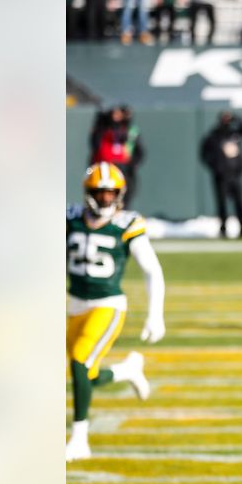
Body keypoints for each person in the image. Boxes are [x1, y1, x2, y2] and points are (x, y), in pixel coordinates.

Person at [66, 163, 165, 461]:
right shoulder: (70, 218)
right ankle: (126, 371)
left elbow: (152, 270)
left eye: (111, 194)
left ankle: (80, 439)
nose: (107, 199)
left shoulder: (127, 224)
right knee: (81, 373)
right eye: (101, 193)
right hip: (73, 305)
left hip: (107, 306)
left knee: (80, 361)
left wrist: (155, 313)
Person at [200, 111, 242, 238]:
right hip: (221, 176)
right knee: (222, 204)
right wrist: (216, 168)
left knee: (239, 203)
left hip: (235, 175)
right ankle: (223, 228)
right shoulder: (213, 136)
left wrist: (235, 117)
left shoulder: (234, 134)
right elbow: (204, 155)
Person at [90, 106, 146, 210]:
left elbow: (140, 153)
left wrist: (130, 165)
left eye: (120, 112)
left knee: (124, 197)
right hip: (103, 170)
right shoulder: (101, 129)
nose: (117, 115)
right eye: (114, 112)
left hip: (123, 170)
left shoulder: (130, 132)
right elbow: (95, 143)